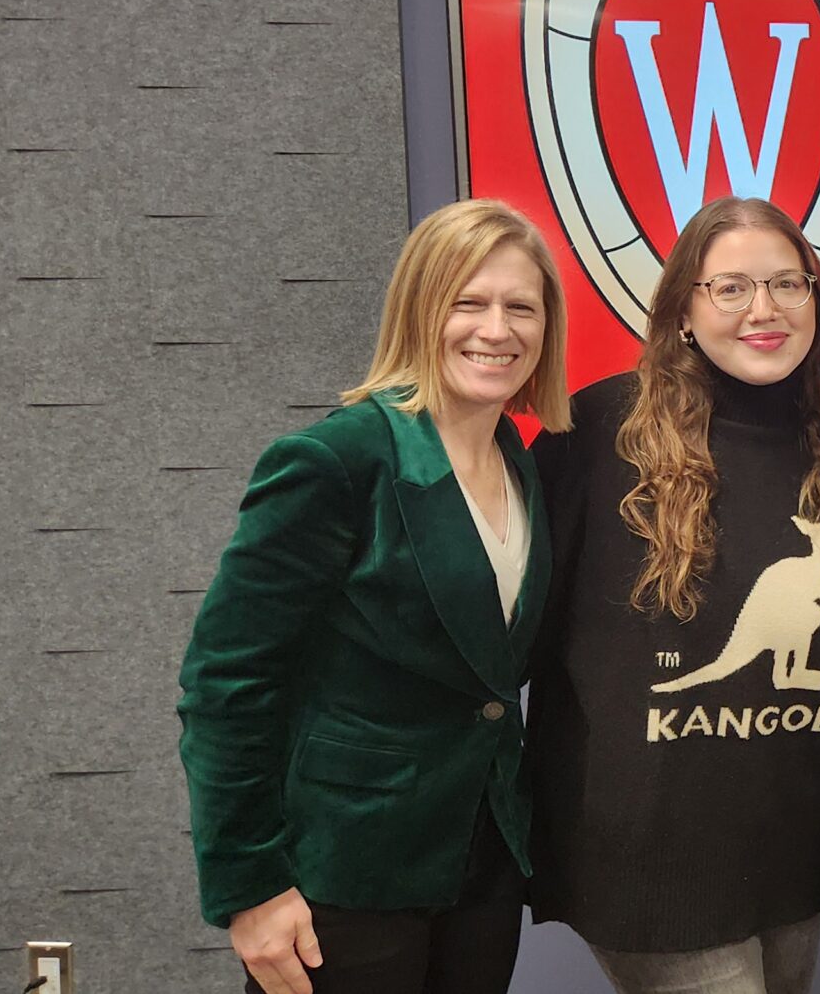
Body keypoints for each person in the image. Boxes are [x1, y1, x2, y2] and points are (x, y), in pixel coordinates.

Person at [178, 199, 572, 994]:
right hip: (345, 874)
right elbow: (225, 685)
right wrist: (249, 886)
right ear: (420, 310)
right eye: (468, 301)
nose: (496, 329)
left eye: (519, 307)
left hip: (481, 866)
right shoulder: (333, 460)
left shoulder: (518, 459)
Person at [525, 197, 820, 994]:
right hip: (652, 858)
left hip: (791, 844)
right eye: (731, 288)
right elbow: (516, 624)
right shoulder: (601, 427)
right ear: (683, 308)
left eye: (788, 285)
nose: (764, 310)